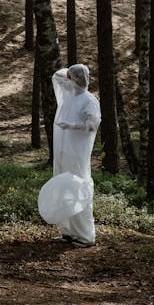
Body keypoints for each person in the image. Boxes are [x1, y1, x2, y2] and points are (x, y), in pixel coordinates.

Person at [51, 63, 101, 246]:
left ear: (79, 79)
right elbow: (56, 76)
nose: (67, 80)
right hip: (63, 152)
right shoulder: (68, 97)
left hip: (77, 155)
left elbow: (92, 124)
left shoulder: (89, 100)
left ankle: (86, 235)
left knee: (78, 187)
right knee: (64, 188)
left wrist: (72, 125)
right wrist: (70, 74)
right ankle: (68, 231)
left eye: (72, 78)